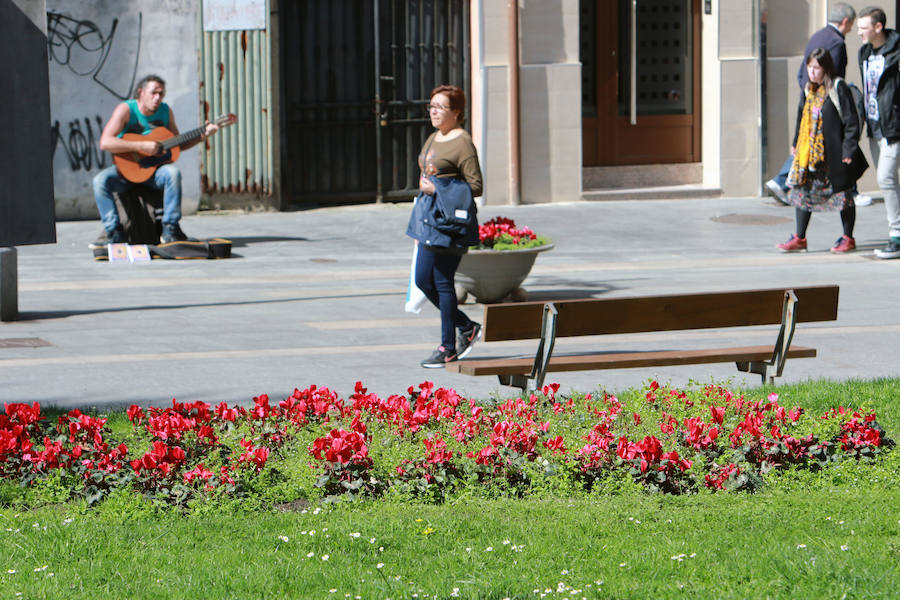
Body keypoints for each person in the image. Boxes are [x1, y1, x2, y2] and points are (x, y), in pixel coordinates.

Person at [407, 84, 483, 368]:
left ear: (457, 113)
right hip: (429, 222)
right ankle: (466, 326)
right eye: (432, 106)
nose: (434, 112)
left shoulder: (462, 142)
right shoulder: (433, 137)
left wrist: (436, 188)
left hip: (450, 225)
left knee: (441, 281)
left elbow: (475, 185)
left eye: (440, 107)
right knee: (422, 280)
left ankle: (447, 347)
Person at [93, 74, 219, 243]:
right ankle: (114, 232)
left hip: (153, 173)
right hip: (126, 171)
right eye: (153, 93)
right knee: (100, 181)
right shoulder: (126, 110)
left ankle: (170, 228)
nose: (158, 97)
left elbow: (177, 144)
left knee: (172, 173)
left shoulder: (166, 112)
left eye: (161, 94)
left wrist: (202, 136)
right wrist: (140, 146)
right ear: (141, 92)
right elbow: (105, 142)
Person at [765, 3, 866, 205]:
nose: (852, 30)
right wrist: (829, 93)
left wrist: (807, 90)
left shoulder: (817, 36)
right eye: (852, 25)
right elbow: (834, 73)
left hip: (811, 97)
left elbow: (802, 71)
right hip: (824, 101)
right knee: (823, 142)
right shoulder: (837, 42)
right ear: (845, 21)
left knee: (806, 140)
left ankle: (783, 181)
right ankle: (846, 189)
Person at [776, 48, 866, 253]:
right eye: (809, 67)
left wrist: (849, 150)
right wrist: (795, 144)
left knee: (843, 195)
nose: (812, 71)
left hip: (835, 154)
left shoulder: (837, 87)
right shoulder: (809, 89)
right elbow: (801, 118)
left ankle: (847, 238)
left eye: (816, 67)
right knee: (803, 192)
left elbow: (851, 120)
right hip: (810, 154)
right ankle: (799, 237)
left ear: (826, 68)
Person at [858, 7, 900, 259]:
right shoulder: (864, 52)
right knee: (888, 180)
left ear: (878, 27)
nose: (859, 32)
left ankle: (896, 235)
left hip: (893, 125)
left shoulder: (896, 51)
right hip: (874, 127)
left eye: (864, 28)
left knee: (885, 178)